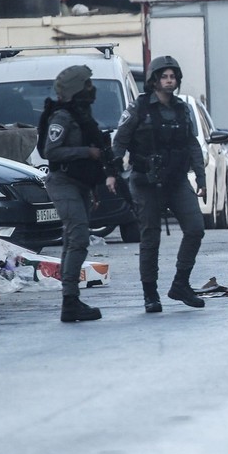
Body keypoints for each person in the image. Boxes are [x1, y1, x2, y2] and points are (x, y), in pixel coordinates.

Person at [110, 55, 207, 312]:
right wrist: (113, 172)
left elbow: (192, 144)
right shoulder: (138, 108)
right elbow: (119, 141)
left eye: (172, 76)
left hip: (176, 180)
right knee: (150, 238)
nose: (169, 81)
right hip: (145, 182)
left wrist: (201, 176)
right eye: (164, 76)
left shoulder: (182, 109)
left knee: (196, 228)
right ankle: (150, 294)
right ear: (154, 80)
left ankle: (181, 284)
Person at [39, 64, 117, 323]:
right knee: (79, 238)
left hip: (79, 184)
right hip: (63, 182)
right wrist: (86, 152)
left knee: (72, 240)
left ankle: (70, 299)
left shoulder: (81, 114)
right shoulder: (62, 117)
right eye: (87, 84)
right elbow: (50, 152)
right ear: (75, 89)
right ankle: (70, 301)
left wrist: (93, 186)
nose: (91, 89)